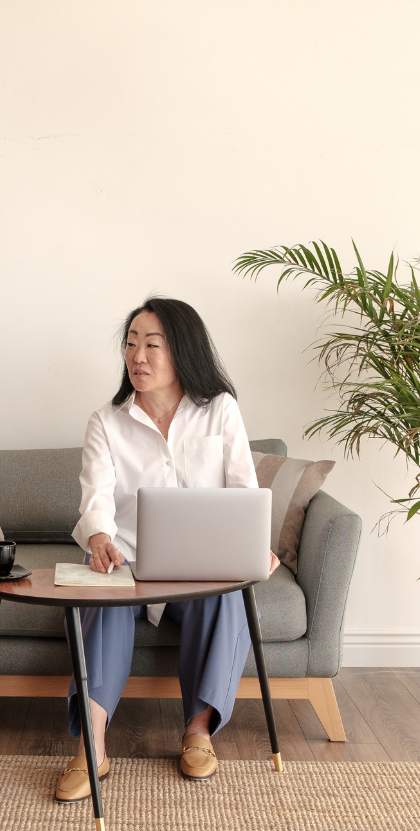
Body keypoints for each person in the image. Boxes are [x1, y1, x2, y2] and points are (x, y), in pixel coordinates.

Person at [56, 296, 279, 803]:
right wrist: (99, 540)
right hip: (130, 563)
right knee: (106, 594)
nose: (138, 356)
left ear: (182, 351)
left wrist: (252, 547)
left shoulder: (219, 410)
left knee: (226, 594)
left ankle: (197, 732)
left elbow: (244, 493)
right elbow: (96, 498)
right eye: (131, 344)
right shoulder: (105, 421)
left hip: (201, 567)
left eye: (151, 344)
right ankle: (91, 746)